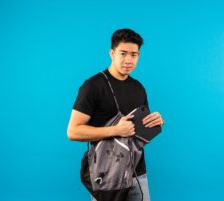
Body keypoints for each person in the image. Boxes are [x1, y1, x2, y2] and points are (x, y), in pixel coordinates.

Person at [67, 28, 164, 201]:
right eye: (123, 53)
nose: (128, 60)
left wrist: (155, 123)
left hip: (137, 173)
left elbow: (138, 133)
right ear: (112, 53)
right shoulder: (93, 86)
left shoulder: (138, 88)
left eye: (134, 55)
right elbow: (73, 131)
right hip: (107, 174)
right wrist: (116, 130)